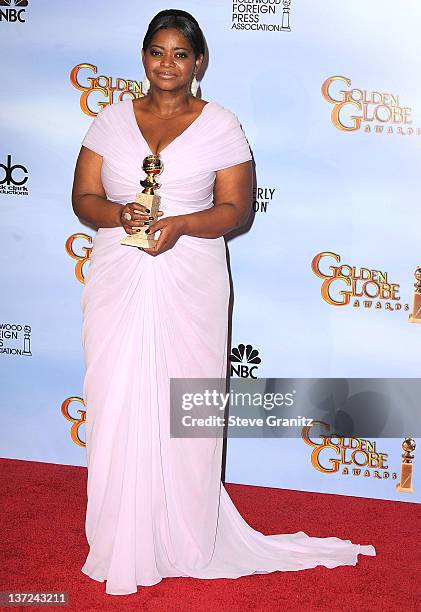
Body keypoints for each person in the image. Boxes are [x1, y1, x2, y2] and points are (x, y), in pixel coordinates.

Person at [72, 9, 376, 596]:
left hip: (190, 273)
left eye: (180, 54)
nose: (167, 64)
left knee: (185, 400)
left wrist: (182, 224)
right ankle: (119, 532)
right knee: (114, 396)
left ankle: (185, 533)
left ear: (199, 62)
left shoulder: (221, 125)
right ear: (143, 57)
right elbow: (84, 198)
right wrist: (119, 213)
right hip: (117, 271)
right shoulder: (108, 121)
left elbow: (237, 210)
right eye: (157, 52)